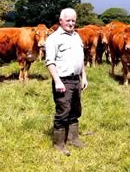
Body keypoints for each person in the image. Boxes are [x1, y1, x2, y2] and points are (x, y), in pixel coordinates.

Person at [45, 8, 88, 156]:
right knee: (63, 112)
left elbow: (81, 60)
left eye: (73, 20)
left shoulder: (77, 36)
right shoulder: (53, 39)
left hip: (76, 80)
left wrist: (84, 77)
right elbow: (50, 62)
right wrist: (57, 81)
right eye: (68, 20)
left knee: (75, 110)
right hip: (62, 81)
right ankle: (59, 144)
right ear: (61, 20)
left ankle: (73, 139)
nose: (71, 23)